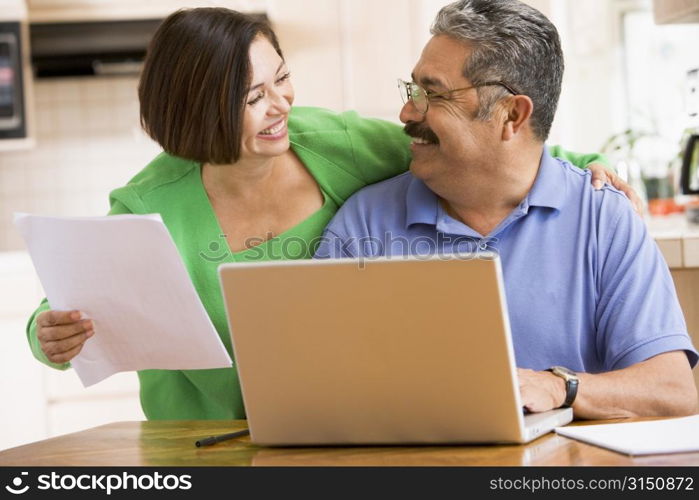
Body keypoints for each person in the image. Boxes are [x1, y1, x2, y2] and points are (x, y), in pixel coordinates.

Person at [26, 7, 635, 421]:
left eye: (282, 79)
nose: (281, 105)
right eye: (252, 96)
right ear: (196, 109)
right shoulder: (147, 203)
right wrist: (48, 333)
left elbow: (477, 150)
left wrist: (589, 162)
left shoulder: (332, 142)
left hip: (323, 428)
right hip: (199, 442)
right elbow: (72, 304)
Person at [315, 0, 698, 419]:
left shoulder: (603, 219)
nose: (407, 112)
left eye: (433, 94)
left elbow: (672, 392)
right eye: (413, 91)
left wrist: (559, 387)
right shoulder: (363, 223)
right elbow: (309, 381)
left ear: (511, 115)